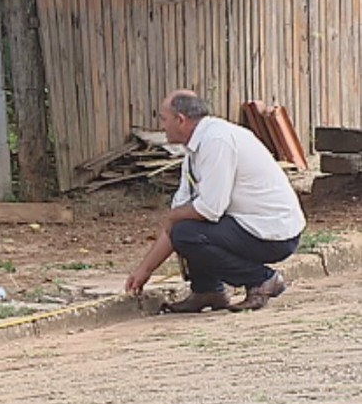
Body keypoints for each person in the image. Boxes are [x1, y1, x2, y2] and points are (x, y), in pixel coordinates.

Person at [125, 89, 306, 312]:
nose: (161, 126)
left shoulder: (216, 141)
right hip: (250, 226)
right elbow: (177, 220)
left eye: (163, 119)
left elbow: (209, 210)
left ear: (180, 120)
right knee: (185, 228)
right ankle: (207, 291)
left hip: (274, 232)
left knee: (188, 233)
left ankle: (262, 279)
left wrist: (173, 218)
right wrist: (144, 270)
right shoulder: (195, 150)